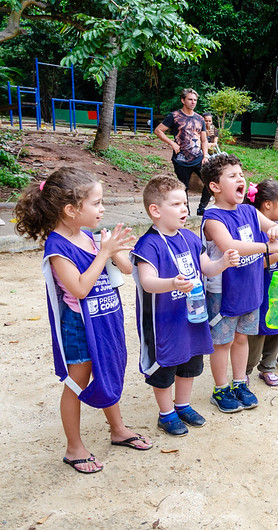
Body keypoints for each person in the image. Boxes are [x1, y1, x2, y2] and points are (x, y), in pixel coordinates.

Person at [13, 168, 153, 473]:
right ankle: (74, 448)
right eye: (97, 203)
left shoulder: (88, 236)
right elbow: (78, 287)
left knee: (107, 373)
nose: (103, 209)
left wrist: (116, 252)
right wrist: (103, 254)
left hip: (105, 318)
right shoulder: (58, 247)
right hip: (80, 326)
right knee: (76, 384)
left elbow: (127, 271)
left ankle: (118, 430)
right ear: (71, 210)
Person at [131, 176, 240, 436]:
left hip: (192, 318)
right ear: (155, 211)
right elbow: (147, 282)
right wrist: (171, 283)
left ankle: (183, 405)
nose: (185, 209)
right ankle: (166, 413)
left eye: (186, 203)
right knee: (166, 367)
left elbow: (206, 267)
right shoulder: (148, 244)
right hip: (163, 322)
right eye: (177, 204)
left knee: (190, 363)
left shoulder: (190, 238)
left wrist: (223, 262)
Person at [200, 154, 278, 414]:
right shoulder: (213, 218)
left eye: (241, 174)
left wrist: (275, 231)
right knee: (222, 342)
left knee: (241, 338)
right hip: (223, 291)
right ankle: (220, 388)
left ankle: (239, 383)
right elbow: (230, 246)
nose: (241, 179)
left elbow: (275, 226)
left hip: (250, 288)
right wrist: (267, 246)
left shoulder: (249, 210)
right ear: (215, 186)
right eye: (232, 176)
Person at [243, 180, 278, 387]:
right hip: (260, 288)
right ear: (267, 204)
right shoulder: (253, 230)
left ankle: (268, 366)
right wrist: (277, 257)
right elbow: (252, 262)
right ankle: (245, 369)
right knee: (257, 330)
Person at [154, 88, 211, 216]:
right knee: (183, 188)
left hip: (198, 158)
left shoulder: (200, 119)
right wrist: (172, 143)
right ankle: (187, 213)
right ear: (183, 100)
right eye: (190, 99)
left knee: (210, 182)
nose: (193, 102)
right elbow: (158, 131)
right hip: (181, 159)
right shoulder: (174, 116)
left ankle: (202, 208)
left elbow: (203, 139)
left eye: (195, 100)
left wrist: (205, 155)